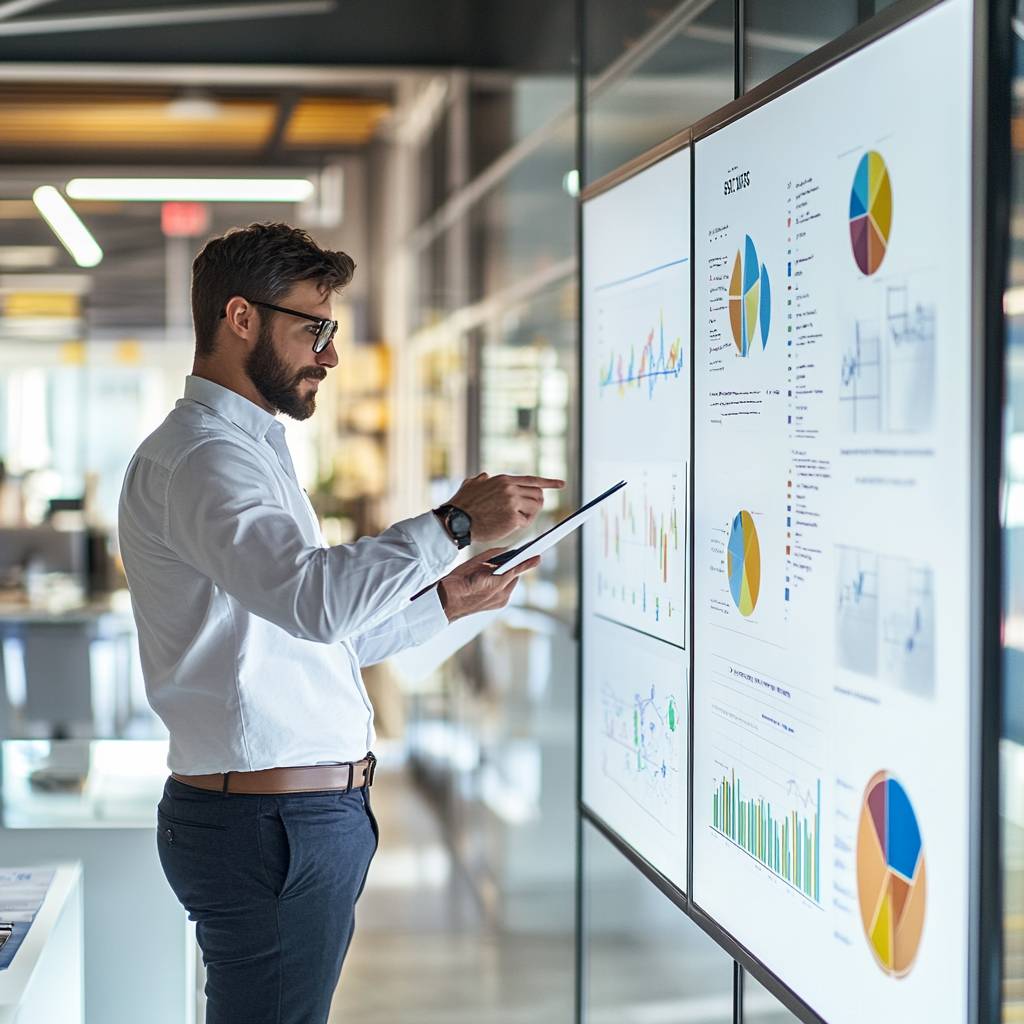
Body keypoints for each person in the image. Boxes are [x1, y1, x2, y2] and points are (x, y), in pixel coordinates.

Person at [116, 222, 563, 1024]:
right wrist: (452, 525)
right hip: (270, 828)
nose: (328, 355)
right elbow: (315, 601)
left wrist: (443, 601)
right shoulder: (205, 459)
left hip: (287, 820)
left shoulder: (245, 450)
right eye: (312, 329)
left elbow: (316, 641)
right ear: (240, 318)